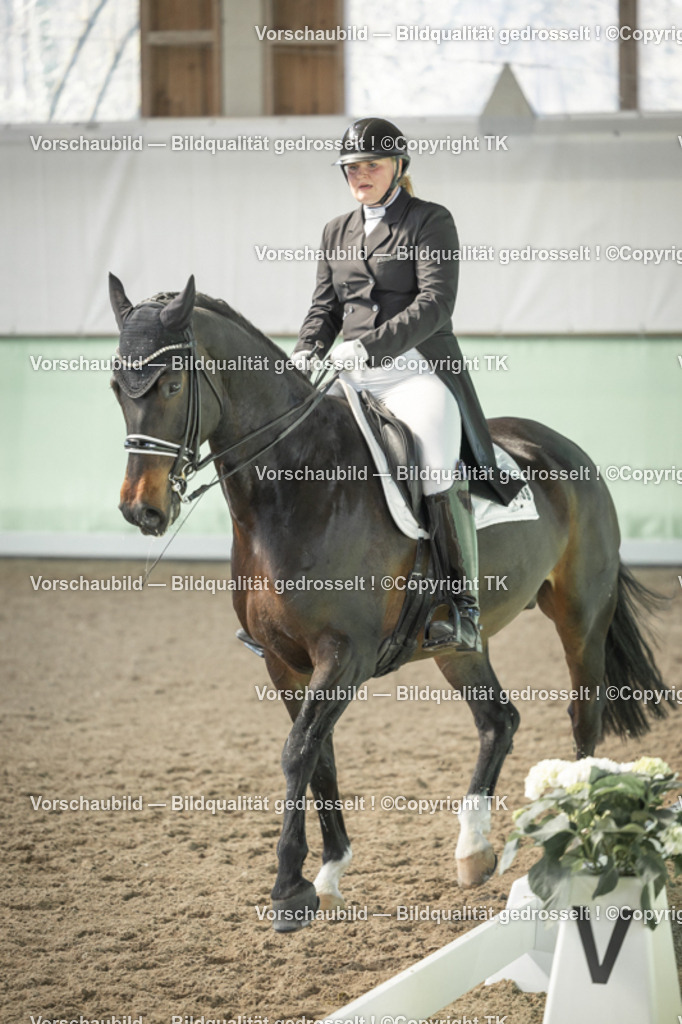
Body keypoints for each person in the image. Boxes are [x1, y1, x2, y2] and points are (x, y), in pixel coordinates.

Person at [292, 117, 520, 653]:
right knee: (298, 451)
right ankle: (293, 602)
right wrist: (306, 349)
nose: (360, 174)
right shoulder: (335, 230)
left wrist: (370, 345)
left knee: (436, 460)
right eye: (352, 166)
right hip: (350, 375)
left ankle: (461, 607)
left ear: (399, 166)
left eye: (372, 164)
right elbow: (324, 308)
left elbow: (436, 304)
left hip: (416, 370)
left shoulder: (430, 220)